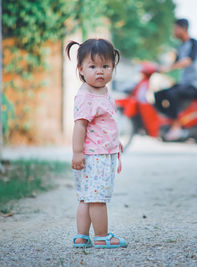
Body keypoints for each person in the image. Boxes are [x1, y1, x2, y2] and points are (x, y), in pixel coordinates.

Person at [66, 38, 127, 249]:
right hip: (94, 157)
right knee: (97, 198)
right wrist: (77, 153)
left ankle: (82, 236)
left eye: (106, 66)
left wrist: (116, 143)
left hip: (101, 153)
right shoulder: (86, 96)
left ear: (113, 67)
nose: (99, 72)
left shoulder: (102, 91)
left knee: (87, 197)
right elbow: (80, 126)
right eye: (93, 66)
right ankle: (101, 236)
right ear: (81, 69)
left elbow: (104, 123)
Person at [157, 18, 197, 140]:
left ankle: (176, 127)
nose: (173, 32)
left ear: (183, 29)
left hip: (195, 84)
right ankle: (169, 121)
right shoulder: (181, 46)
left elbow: (187, 61)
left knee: (172, 94)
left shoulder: (194, 43)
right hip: (185, 83)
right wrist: (159, 68)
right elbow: (175, 62)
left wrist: (168, 68)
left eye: (175, 29)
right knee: (159, 94)